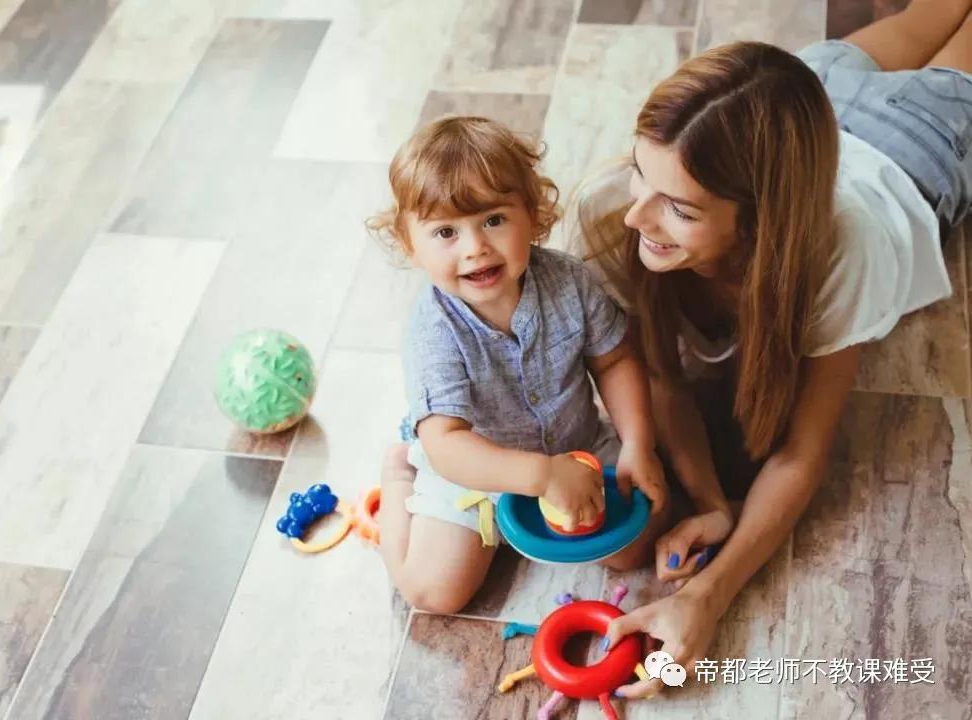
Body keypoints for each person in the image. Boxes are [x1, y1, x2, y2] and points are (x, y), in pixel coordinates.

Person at [571, 1, 972, 699]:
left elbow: (801, 453)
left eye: (680, 209)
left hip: (915, 144)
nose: (638, 216)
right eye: (642, 173)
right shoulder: (618, 210)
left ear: (760, 227)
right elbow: (660, 377)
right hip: (812, 90)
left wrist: (709, 597)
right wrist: (709, 500)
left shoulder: (841, 257)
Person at [367, 116, 669, 614]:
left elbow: (615, 361)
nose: (475, 247)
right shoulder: (433, 331)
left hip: (578, 447)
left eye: (493, 220)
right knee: (433, 593)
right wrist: (539, 477)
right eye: (445, 232)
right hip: (471, 472)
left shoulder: (569, 281)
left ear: (532, 214)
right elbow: (448, 444)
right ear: (410, 246)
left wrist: (638, 442)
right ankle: (399, 477)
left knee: (639, 542)